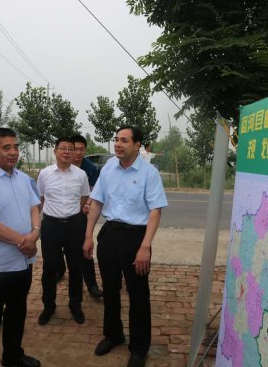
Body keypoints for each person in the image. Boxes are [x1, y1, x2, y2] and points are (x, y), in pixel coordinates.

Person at [83, 126, 168, 367]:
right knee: (110, 289)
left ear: (137, 145)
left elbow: (155, 211)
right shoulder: (109, 167)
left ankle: (139, 348)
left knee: (138, 294)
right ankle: (113, 334)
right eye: (116, 140)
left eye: (124, 140)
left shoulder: (149, 173)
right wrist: (88, 236)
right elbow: (96, 202)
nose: (118, 144)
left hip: (136, 237)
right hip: (110, 234)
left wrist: (145, 247)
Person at [0, 128, 41, 367]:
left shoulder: (23, 178)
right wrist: (24, 241)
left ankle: (13, 356)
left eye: (16, 147)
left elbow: (34, 208)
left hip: (23, 261)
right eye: (6, 148)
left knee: (17, 312)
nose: (13, 152)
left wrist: (35, 233)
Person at [36, 137, 90, 325]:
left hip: (74, 226)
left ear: (75, 152)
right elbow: (40, 199)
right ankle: (48, 306)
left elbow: (84, 199)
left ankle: (75, 305)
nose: (67, 152)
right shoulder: (45, 174)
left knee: (76, 267)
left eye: (70, 149)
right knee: (49, 268)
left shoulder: (81, 175)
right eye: (63, 148)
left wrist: (73, 216)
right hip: (51, 226)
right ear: (55, 151)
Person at [70, 134, 103, 299]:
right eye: (75, 149)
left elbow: (96, 191)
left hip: (82, 214)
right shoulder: (63, 165)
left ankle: (92, 285)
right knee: (60, 248)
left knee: (85, 248)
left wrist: (87, 204)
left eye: (81, 149)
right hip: (62, 215)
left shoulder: (91, 168)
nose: (78, 153)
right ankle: (59, 271)